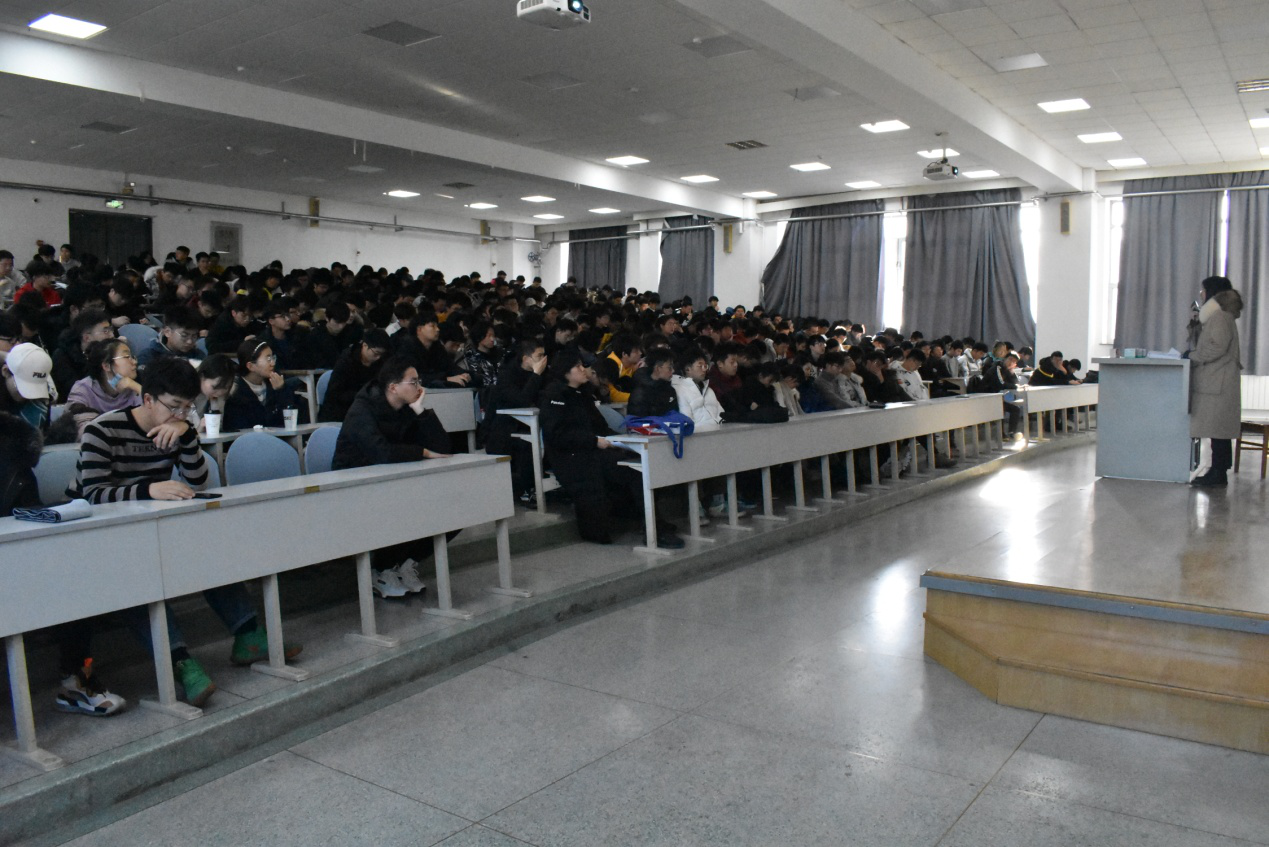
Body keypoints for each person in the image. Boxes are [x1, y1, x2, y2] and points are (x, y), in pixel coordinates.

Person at [72, 356, 300, 706]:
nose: (180, 413)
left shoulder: (177, 428)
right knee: (138, 579)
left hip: (151, 528)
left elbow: (197, 479)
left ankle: (248, 634)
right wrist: (149, 489)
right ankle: (180, 662)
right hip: (99, 538)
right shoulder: (102, 431)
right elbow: (92, 494)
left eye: (187, 407)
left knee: (206, 548)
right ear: (148, 399)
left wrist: (186, 433)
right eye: (174, 406)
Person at [331, 356, 453, 596]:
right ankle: (382, 569)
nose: (419, 387)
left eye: (419, 381)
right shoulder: (362, 410)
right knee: (406, 508)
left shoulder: (407, 407)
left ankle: (405, 564)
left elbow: (443, 448)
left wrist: (420, 411)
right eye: (413, 382)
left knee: (452, 509)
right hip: (354, 485)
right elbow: (382, 452)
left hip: (393, 480)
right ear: (393, 387)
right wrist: (422, 452)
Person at [539, 349, 683, 547]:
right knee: (635, 473)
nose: (584, 370)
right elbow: (557, 435)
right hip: (573, 456)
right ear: (565, 372)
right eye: (578, 367)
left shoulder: (583, 395)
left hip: (594, 449)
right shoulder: (554, 396)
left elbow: (600, 427)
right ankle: (654, 530)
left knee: (642, 464)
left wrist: (622, 441)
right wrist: (593, 441)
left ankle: (653, 523)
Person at [1188, 276, 1244, 487]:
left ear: (1211, 292)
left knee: (1218, 430)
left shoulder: (1220, 316)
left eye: (1203, 290)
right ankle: (1219, 471)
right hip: (1217, 380)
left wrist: (1192, 356)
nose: (1201, 294)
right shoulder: (1222, 315)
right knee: (1219, 430)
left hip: (1217, 381)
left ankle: (1218, 473)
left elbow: (1217, 347)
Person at [485, 340, 548, 504]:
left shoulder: (544, 374)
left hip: (532, 424)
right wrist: (536, 375)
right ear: (526, 359)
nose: (543, 360)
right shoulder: (507, 376)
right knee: (528, 444)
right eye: (539, 356)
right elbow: (522, 400)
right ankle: (527, 490)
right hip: (506, 428)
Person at [63, 339, 142, 438]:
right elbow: (82, 431)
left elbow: (153, 419)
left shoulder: (135, 387)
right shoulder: (83, 389)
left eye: (132, 357)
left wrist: (138, 387)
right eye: (127, 357)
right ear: (106, 366)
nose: (134, 362)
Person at [223, 338, 301, 431]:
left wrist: (281, 390)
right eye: (268, 359)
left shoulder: (275, 385)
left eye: (273, 358)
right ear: (251, 366)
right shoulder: (236, 391)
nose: (273, 363)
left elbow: (289, 420)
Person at [318, 329, 391, 423]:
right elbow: (335, 393)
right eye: (376, 353)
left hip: (367, 410)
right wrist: (365, 395)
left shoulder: (381, 363)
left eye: (382, 354)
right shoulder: (347, 361)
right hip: (340, 412)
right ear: (365, 345)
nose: (378, 357)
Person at [52, 307, 115, 400]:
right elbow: (75, 391)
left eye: (111, 330)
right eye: (105, 331)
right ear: (87, 338)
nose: (112, 335)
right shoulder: (62, 357)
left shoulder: (112, 352)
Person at [1, 342, 52, 430]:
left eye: (35, 389)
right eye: (22, 386)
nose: (28, 395)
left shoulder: (41, 402)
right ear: (5, 372)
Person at [136, 306, 203, 370]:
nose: (190, 341)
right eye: (184, 335)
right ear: (167, 332)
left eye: (194, 336)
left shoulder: (197, 355)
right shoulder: (149, 356)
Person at [626, 348, 678, 417]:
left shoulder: (670, 391)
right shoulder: (640, 394)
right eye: (669, 368)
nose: (673, 371)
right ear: (658, 368)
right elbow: (636, 421)